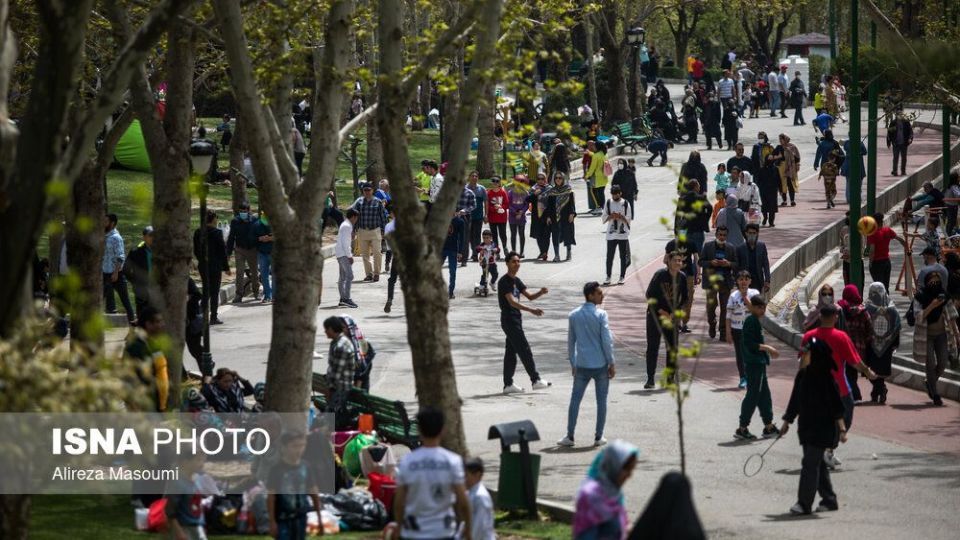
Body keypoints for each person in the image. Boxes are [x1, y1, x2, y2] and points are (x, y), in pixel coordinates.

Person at [801, 305, 877, 469]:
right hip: (840, 388)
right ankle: (827, 450)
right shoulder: (841, 337)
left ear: (820, 317)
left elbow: (803, 363)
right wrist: (867, 372)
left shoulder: (809, 336)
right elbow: (854, 361)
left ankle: (821, 450)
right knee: (844, 418)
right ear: (836, 317)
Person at [779, 337, 846, 516]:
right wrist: (787, 421)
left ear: (816, 356)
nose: (803, 357)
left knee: (809, 463)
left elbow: (837, 406)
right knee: (817, 464)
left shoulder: (827, 379)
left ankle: (804, 504)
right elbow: (795, 401)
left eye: (807, 353)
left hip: (822, 428)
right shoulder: (802, 375)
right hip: (806, 427)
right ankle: (829, 499)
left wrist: (842, 429)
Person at [394, 407, 472, 540]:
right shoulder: (452, 461)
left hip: (413, 533)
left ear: (419, 430)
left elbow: (399, 501)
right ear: (442, 430)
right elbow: (463, 501)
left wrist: (399, 526)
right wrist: (469, 530)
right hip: (443, 532)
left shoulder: (407, 462)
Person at [559, 281, 615, 448]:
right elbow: (606, 340)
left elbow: (571, 342)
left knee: (575, 399)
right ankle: (599, 436)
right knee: (601, 401)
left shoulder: (574, 315)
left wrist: (573, 362)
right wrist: (611, 361)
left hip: (582, 364)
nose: (601, 295)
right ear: (590, 295)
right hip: (600, 364)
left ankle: (570, 435)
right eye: (599, 293)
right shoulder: (601, 315)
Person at [498, 252, 551, 394]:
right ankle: (535, 379)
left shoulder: (517, 281)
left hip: (516, 320)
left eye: (518, 261)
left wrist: (540, 292)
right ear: (507, 263)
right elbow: (512, 302)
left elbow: (530, 296)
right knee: (524, 349)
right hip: (509, 320)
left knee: (511, 353)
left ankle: (508, 384)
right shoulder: (504, 282)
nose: (517, 264)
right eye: (514, 261)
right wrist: (531, 310)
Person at [734, 296, 781, 440]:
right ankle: (742, 427)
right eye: (759, 307)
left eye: (764, 308)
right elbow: (749, 344)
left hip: (759, 363)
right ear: (752, 307)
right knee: (753, 395)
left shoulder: (756, 321)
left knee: (764, 395)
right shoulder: (750, 321)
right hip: (753, 364)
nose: (762, 310)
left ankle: (768, 425)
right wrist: (768, 348)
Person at [573, 441, 638, 540]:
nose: (629, 475)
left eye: (631, 470)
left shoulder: (614, 494)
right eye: (626, 469)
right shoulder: (591, 496)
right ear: (613, 464)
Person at [912, 271, 959, 406]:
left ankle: (930, 382)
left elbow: (952, 316)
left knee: (943, 362)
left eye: (937, 281)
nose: (934, 284)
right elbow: (918, 316)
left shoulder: (944, 296)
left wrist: (957, 334)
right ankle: (935, 393)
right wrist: (932, 305)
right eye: (931, 281)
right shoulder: (920, 297)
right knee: (930, 364)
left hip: (942, 335)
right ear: (926, 283)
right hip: (926, 336)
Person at [267, 431, 322, 540]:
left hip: (301, 516)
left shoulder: (306, 467)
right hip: (282, 517)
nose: (299, 450)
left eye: (302, 446)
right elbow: (271, 497)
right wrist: (272, 521)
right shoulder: (277, 470)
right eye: (295, 446)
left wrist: (319, 518)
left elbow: (314, 492)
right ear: (284, 447)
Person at [645, 251, 688, 388]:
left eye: (680, 261)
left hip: (672, 317)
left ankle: (670, 378)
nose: (678, 263)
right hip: (655, 316)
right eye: (675, 260)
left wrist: (677, 312)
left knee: (672, 348)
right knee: (653, 347)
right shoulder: (660, 275)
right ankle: (650, 379)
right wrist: (661, 311)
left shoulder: (682, 277)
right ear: (668, 261)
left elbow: (685, 298)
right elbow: (649, 294)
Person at [124, 306, 170, 412]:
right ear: (148, 324)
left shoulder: (155, 343)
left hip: (159, 405)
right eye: (158, 322)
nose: (162, 325)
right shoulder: (136, 346)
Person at [864, 282, 900, 404]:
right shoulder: (891, 309)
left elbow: (897, 326)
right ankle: (879, 390)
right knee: (875, 371)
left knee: (874, 370)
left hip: (877, 346)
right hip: (881, 345)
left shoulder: (868, 307)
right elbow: (897, 326)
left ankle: (878, 391)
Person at [193, 209, 231, 325]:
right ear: (213, 219)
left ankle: (201, 313)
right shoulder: (217, 233)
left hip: (203, 266)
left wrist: (201, 260)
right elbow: (222, 252)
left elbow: (196, 250)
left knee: (206, 289)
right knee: (214, 292)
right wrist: (226, 267)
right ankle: (213, 316)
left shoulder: (198, 232)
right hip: (215, 266)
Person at [700, 226, 738, 341]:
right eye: (720, 234)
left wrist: (728, 264)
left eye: (724, 235)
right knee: (711, 307)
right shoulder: (708, 246)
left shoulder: (731, 248)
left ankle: (723, 331)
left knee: (725, 308)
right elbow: (700, 262)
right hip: (711, 282)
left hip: (725, 283)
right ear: (716, 235)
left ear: (727, 236)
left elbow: (736, 264)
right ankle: (712, 324)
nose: (722, 237)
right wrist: (711, 262)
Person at [725, 270, 760, 389]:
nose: (743, 282)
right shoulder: (733, 296)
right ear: (737, 281)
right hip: (737, 329)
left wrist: (745, 297)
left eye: (746, 279)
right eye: (741, 279)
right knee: (740, 354)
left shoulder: (755, 293)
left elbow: (756, 310)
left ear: (750, 281)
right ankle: (743, 377)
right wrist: (728, 332)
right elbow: (728, 316)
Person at [838, 285, 871, 402]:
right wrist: (865, 342)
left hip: (844, 347)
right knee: (852, 372)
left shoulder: (841, 310)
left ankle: (855, 395)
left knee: (847, 372)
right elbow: (869, 330)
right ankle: (852, 395)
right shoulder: (863, 312)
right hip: (859, 347)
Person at [164, 452, 207, 540]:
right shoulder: (177, 483)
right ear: (185, 462)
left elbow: (198, 504)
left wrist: (202, 524)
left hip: (197, 527)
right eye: (198, 460)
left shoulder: (198, 479)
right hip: (183, 528)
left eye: (203, 460)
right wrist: (178, 531)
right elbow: (170, 510)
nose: (202, 464)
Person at [103, 213, 136, 324]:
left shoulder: (116, 238)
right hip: (104, 273)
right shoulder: (104, 236)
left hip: (116, 274)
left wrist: (116, 273)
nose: (103, 223)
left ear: (112, 223)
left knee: (125, 301)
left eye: (106, 221)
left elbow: (121, 256)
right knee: (97, 301)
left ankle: (133, 325)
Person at [352, 182, 388, 281]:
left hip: (375, 231)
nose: (367, 192)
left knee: (377, 253)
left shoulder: (378, 202)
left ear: (372, 191)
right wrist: (353, 230)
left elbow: (383, 217)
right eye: (365, 190)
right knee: (365, 255)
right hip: (362, 230)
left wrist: (384, 231)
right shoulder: (359, 202)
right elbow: (355, 217)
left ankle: (377, 273)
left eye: (369, 190)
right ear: (363, 191)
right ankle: (369, 274)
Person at [865, 212, 907, 292]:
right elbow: (899, 239)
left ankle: (881, 303)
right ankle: (886, 302)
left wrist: (870, 262)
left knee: (879, 287)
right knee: (885, 286)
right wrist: (906, 246)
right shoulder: (887, 230)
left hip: (877, 263)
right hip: (887, 262)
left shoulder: (872, 233)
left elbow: (872, 250)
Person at [227, 202, 260, 303]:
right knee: (239, 272)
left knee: (254, 272)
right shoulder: (235, 221)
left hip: (252, 250)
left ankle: (256, 292)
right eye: (241, 211)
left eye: (244, 211)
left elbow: (259, 234)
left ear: (249, 211)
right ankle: (239, 294)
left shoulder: (254, 220)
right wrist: (228, 253)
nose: (242, 213)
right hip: (240, 249)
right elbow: (231, 237)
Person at [322, 316, 356, 414]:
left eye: (326, 329)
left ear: (332, 329)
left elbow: (337, 372)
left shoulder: (342, 346)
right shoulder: (335, 342)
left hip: (340, 388)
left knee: (330, 416)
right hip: (336, 387)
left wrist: (328, 388)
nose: (325, 332)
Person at [602, 186, 632, 285]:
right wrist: (611, 216)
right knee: (609, 256)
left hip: (622, 235)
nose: (614, 196)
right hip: (611, 235)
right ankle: (608, 276)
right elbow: (604, 217)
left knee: (623, 256)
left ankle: (622, 276)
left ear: (620, 193)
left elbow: (629, 219)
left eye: (616, 194)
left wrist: (620, 217)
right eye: (613, 194)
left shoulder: (625, 203)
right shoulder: (608, 203)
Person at [545, 172, 577, 262]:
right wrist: (548, 216)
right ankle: (556, 255)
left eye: (560, 178)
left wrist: (572, 214)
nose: (558, 180)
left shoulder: (568, 189)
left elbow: (572, 203)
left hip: (566, 216)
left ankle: (568, 252)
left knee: (568, 233)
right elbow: (549, 206)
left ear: (563, 179)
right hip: (555, 216)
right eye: (556, 178)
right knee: (555, 235)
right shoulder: (552, 191)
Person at [125, 226, 154, 320]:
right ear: (144, 237)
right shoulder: (135, 252)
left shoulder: (162, 252)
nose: (153, 238)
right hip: (142, 288)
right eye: (150, 235)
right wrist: (134, 281)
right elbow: (126, 269)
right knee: (142, 315)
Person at [461, 458, 494, 540]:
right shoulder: (470, 493)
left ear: (477, 475)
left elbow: (479, 527)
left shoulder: (480, 497)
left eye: (465, 475)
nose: (462, 479)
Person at [750, 132, 778, 226]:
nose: (760, 139)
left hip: (771, 174)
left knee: (772, 201)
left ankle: (771, 220)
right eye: (759, 137)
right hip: (759, 174)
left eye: (762, 137)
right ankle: (764, 216)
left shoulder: (770, 147)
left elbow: (776, 157)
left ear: (765, 137)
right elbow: (753, 159)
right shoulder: (756, 147)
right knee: (761, 198)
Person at [734, 224, 770, 294]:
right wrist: (737, 281)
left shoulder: (761, 246)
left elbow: (765, 264)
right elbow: (736, 267)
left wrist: (767, 280)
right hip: (744, 282)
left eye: (754, 233)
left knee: (756, 302)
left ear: (757, 234)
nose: (752, 235)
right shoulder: (740, 248)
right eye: (750, 233)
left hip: (758, 281)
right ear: (746, 233)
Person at [813, 129, 843, 209]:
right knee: (833, 187)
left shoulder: (822, 144)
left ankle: (828, 201)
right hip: (833, 167)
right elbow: (840, 154)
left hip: (824, 167)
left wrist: (815, 164)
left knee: (827, 186)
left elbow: (818, 154)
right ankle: (831, 199)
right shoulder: (835, 143)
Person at [335, 209, 359, 308]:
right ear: (353, 217)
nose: (356, 220)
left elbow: (345, 240)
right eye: (356, 218)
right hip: (344, 254)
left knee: (343, 277)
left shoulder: (345, 225)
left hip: (340, 253)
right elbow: (345, 244)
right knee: (349, 276)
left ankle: (342, 299)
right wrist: (350, 256)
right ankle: (346, 298)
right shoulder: (347, 226)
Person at [772, 133, 800, 206]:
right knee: (782, 184)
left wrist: (797, 165)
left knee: (790, 184)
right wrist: (778, 157)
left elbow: (797, 158)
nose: (780, 141)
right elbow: (772, 156)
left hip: (791, 168)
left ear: (786, 139)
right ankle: (784, 200)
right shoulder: (778, 147)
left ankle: (792, 200)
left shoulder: (792, 147)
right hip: (781, 168)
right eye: (780, 139)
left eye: (782, 139)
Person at [465, 171, 487, 260]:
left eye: (476, 176)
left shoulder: (482, 189)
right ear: (469, 177)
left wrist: (486, 214)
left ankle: (475, 253)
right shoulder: (465, 188)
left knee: (477, 235)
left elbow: (486, 202)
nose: (474, 177)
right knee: (469, 235)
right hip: (468, 215)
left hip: (478, 216)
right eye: (472, 176)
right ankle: (473, 250)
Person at [253, 212, 274, 303]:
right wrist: (260, 239)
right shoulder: (257, 225)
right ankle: (267, 296)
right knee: (264, 276)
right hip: (262, 254)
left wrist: (270, 238)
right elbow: (251, 238)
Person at [444, 213, 465, 299]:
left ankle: (451, 292)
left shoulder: (459, 222)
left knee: (452, 271)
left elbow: (462, 238)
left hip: (453, 250)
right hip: (442, 249)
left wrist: (460, 251)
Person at [485, 176, 509, 253]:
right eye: (493, 181)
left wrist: (501, 207)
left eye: (497, 181)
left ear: (499, 183)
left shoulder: (503, 192)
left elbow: (507, 204)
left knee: (503, 234)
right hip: (492, 218)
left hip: (502, 218)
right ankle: (496, 250)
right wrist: (494, 208)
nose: (495, 183)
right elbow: (487, 205)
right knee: (494, 235)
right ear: (491, 183)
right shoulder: (489, 193)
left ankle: (505, 247)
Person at [584, 141, 609, 215]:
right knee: (601, 193)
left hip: (597, 178)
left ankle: (598, 207)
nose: (593, 147)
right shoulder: (605, 154)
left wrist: (587, 176)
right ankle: (603, 207)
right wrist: (590, 153)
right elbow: (598, 156)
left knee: (594, 192)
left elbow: (592, 168)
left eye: (594, 146)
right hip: (604, 177)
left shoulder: (596, 156)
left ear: (597, 147)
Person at [507, 175, 529, 255]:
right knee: (513, 234)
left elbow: (527, 205)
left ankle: (522, 251)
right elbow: (508, 204)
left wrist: (521, 212)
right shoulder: (510, 193)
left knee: (521, 234)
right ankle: (513, 250)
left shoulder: (526, 193)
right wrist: (514, 212)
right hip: (512, 216)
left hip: (521, 217)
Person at [886, 111, 914, 176]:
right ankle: (895, 171)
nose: (900, 116)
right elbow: (889, 133)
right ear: (896, 115)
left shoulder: (906, 122)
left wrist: (910, 138)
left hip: (904, 143)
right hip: (896, 143)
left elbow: (910, 131)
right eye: (899, 114)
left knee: (904, 158)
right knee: (895, 157)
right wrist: (888, 142)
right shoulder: (893, 122)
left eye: (901, 114)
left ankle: (903, 171)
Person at [384, 206, 400, 313]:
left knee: (392, 279)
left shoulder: (388, 226)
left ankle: (390, 298)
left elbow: (388, 247)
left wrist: (387, 260)